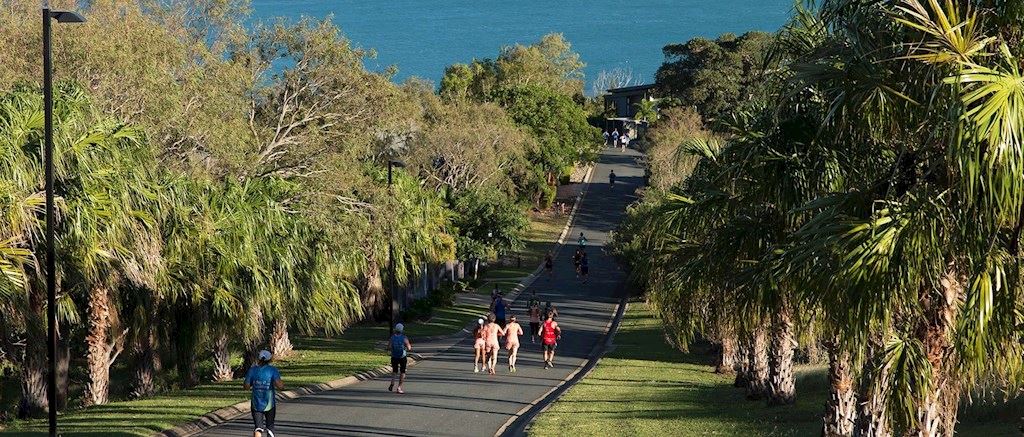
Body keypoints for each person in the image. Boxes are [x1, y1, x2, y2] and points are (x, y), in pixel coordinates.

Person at [244, 350, 284, 437]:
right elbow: (280, 386)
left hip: (256, 404)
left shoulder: (252, 370)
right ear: (269, 360)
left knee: (258, 428)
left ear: (258, 359)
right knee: (270, 427)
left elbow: (246, 387)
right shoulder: (273, 370)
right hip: (270, 404)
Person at [387, 323, 412, 394]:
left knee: (394, 370)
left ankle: (392, 382)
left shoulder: (392, 337)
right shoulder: (404, 338)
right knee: (402, 371)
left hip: (394, 356)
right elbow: (409, 348)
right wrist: (407, 347)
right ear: (402, 330)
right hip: (402, 356)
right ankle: (399, 387)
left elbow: (389, 347)